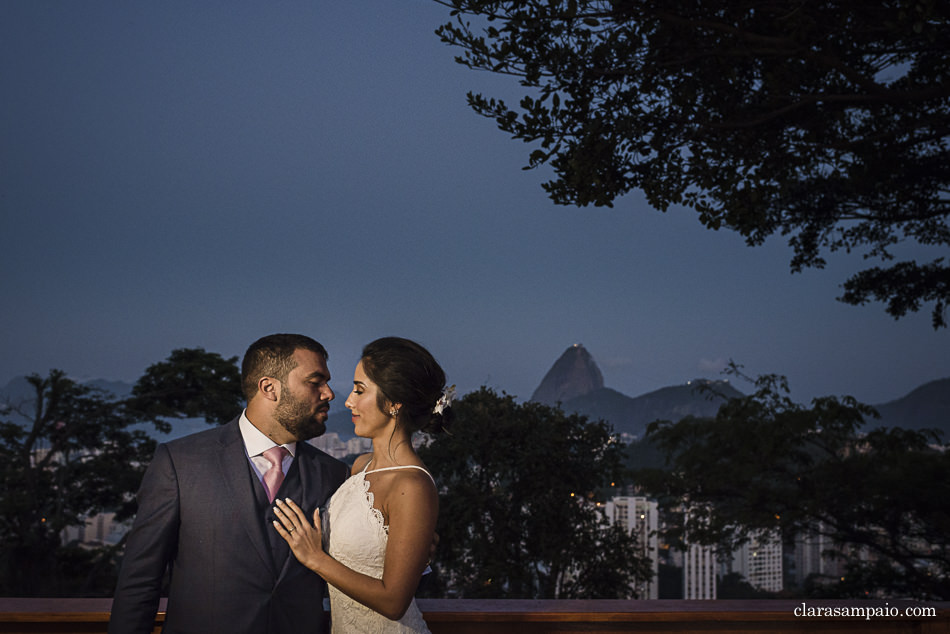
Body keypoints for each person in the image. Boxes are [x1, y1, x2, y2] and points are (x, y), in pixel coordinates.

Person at [108, 334, 349, 634]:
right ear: (269, 387)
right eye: (316, 381)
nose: (329, 393)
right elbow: (139, 582)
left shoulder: (334, 474)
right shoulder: (180, 463)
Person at [272, 336, 452, 633]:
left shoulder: (412, 485)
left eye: (359, 390)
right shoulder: (359, 466)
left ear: (394, 403)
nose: (347, 401)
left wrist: (316, 558)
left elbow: (394, 602)